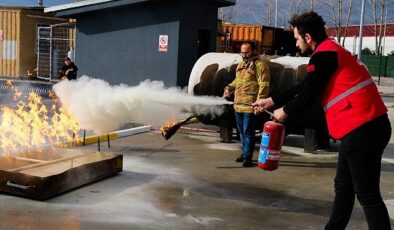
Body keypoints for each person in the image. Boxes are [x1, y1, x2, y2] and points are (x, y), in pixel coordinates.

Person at [252, 11, 391, 229]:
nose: (296, 43)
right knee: (343, 186)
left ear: (308, 37)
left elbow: (309, 95)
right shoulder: (331, 50)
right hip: (363, 127)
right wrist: (271, 101)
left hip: (363, 128)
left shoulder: (324, 54)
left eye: (297, 38)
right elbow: (305, 85)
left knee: (367, 194)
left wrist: (284, 112)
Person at [224, 42, 270, 167]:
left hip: (250, 105)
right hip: (238, 104)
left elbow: (264, 85)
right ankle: (245, 153)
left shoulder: (260, 66)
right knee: (240, 131)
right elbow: (237, 81)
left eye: (246, 52)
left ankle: (248, 157)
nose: (244, 55)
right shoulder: (241, 65)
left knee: (248, 132)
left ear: (254, 51)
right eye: (242, 52)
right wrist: (229, 88)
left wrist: (260, 102)